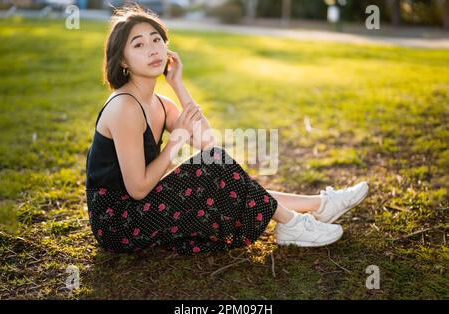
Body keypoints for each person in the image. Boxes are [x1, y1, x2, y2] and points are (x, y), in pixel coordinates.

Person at [85, 3, 369, 255]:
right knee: (218, 170)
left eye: (156, 39)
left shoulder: (161, 103)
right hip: (120, 223)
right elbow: (137, 189)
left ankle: (316, 208)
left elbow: (207, 144)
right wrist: (176, 142)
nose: (152, 49)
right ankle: (301, 218)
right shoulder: (124, 107)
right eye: (138, 45)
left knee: (220, 170)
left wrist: (178, 84)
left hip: (146, 206)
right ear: (122, 61)